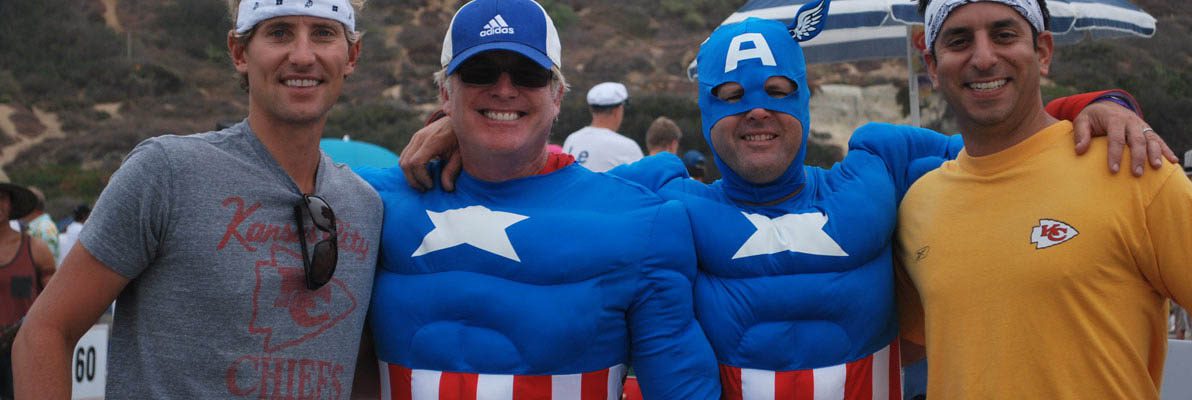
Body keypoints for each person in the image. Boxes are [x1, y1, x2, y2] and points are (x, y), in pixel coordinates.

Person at [397, 2, 1173, 398]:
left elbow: (1006, 144)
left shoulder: (879, 167)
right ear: (704, 110)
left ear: (804, 97)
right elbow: (555, 189)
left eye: (776, 91)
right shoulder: (664, 202)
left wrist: (1094, 107)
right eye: (730, 97)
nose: (756, 110)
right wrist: (463, 142)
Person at [13, 0, 383, 397]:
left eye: (324, 33)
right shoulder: (166, 173)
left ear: (352, 55)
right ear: (239, 52)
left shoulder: (365, 206)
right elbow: (45, 331)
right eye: (279, 32)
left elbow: (362, 364)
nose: (303, 56)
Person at [354, 0, 720, 398]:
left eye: (528, 74)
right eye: (480, 72)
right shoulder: (368, 202)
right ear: (445, 91)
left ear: (558, 95)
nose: (504, 89)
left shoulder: (641, 223)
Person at [894, 0, 1192, 398]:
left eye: (1004, 35)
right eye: (959, 40)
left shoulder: (1133, 168)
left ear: (1043, 52)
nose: (983, 58)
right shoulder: (918, 206)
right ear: (932, 66)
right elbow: (904, 348)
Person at [0, 179, 55, 400]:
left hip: (22, 353)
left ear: (11, 204)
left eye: (1, 198)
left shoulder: (36, 249)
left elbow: (54, 304)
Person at [562, 81, 644, 171]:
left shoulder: (572, 139)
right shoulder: (628, 147)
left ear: (591, 109)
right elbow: (644, 181)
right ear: (618, 110)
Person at [19, 187, 59, 262]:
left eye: (22, 204)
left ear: (30, 206)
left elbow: (47, 263)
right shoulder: (37, 227)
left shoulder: (44, 228)